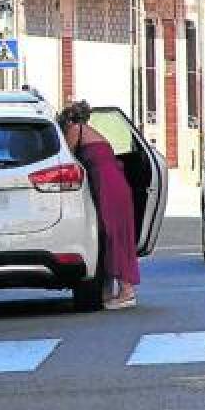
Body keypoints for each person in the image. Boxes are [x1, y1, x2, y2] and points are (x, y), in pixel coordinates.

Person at [58, 100, 140, 309]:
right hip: (114, 184)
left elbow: (66, 158)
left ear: (69, 120)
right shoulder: (90, 130)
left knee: (113, 234)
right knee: (113, 233)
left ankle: (126, 291)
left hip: (107, 186)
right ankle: (113, 289)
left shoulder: (75, 130)